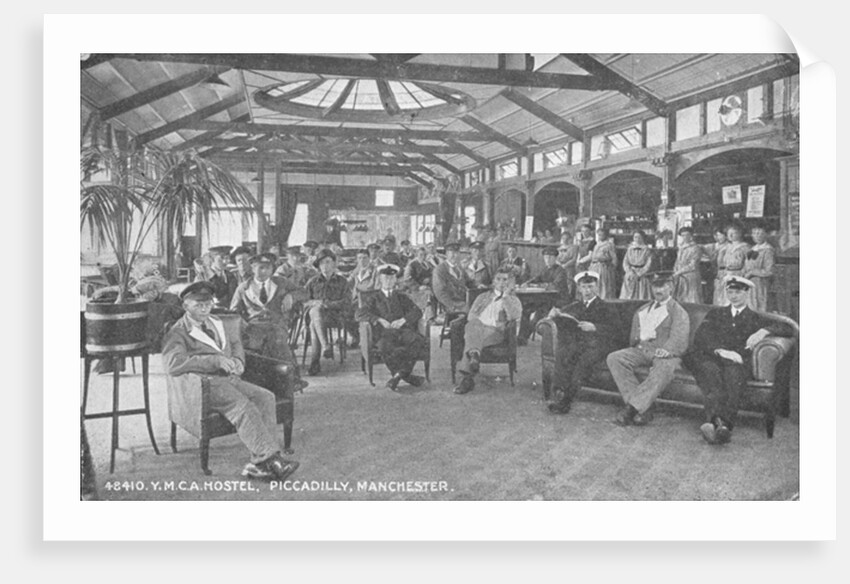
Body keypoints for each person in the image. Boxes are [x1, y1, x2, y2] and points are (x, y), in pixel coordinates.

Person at [162, 281, 300, 480]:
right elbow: (173, 364)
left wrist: (238, 360)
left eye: (208, 304)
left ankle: (260, 463)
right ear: (185, 306)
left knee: (265, 397)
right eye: (197, 305)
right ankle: (271, 460)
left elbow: (235, 343)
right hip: (206, 384)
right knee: (243, 407)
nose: (204, 309)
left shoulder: (217, 321)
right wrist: (214, 360)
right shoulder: (178, 331)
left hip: (230, 379)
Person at [682, 276, 793, 445]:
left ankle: (721, 426)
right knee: (710, 372)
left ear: (747, 293)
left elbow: (788, 327)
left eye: (738, 292)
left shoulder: (755, 318)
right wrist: (721, 351)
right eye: (730, 292)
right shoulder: (716, 313)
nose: (733, 296)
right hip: (710, 357)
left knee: (734, 376)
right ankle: (720, 425)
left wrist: (763, 331)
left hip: (735, 362)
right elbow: (701, 338)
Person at [607, 271, 690, 426]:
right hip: (642, 349)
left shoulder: (678, 311)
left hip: (665, 354)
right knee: (614, 358)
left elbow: (680, 336)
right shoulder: (643, 309)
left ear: (671, 287)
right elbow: (635, 336)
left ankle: (631, 409)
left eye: (663, 286)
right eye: (655, 286)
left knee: (665, 368)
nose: (658, 291)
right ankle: (644, 408)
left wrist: (668, 350)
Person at [229, 253, 308, 394]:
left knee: (276, 338)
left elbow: (304, 292)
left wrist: (291, 296)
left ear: (272, 269)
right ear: (252, 268)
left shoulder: (281, 282)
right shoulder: (243, 287)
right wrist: (242, 322)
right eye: (260, 268)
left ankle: (286, 380)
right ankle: (284, 379)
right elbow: (233, 311)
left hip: (277, 324)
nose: (263, 271)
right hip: (254, 327)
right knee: (260, 344)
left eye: (267, 268)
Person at [546, 271, 621, 414]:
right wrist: (553, 315)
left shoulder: (607, 307)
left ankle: (566, 401)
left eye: (591, 287)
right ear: (579, 288)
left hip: (600, 345)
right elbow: (562, 318)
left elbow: (617, 330)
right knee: (564, 354)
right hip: (580, 344)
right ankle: (557, 393)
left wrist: (596, 327)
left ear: (597, 287)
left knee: (583, 362)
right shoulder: (575, 306)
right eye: (584, 287)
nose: (587, 291)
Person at [356, 265, 429, 391]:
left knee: (418, 340)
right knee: (385, 346)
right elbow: (359, 314)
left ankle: (398, 376)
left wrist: (403, 320)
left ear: (395, 280)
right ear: (380, 280)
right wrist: (379, 319)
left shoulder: (401, 297)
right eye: (385, 278)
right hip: (384, 333)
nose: (388, 281)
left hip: (403, 331)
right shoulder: (373, 297)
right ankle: (406, 376)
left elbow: (417, 311)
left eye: (391, 278)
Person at [453, 268, 523, 395]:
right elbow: (470, 316)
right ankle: (471, 367)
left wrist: (506, 297)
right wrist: (480, 323)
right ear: (493, 282)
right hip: (477, 327)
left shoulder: (513, 300)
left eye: (505, 280)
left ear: (510, 282)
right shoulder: (482, 297)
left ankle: (470, 366)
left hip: (495, 331)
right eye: (498, 279)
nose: (501, 282)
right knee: (472, 324)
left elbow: (514, 316)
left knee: (471, 334)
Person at [303, 249, 354, 375]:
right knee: (315, 313)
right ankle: (325, 347)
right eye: (321, 263)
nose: (325, 266)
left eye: (328, 262)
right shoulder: (313, 281)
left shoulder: (342, 281)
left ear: (334, 264)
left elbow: (347, 302)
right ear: (318, 266)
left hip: (335, 316)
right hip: (316, 316)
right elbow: (303, 300)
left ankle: (315, 362)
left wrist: (326, 304)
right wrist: (315, 303)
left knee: (314, 322)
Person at [519, 246, 571, 343]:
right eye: (546, 257)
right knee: (526, 309)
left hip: (558, 300)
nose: (548, 260)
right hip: (545, 298)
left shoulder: (560, 270)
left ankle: (524, 337)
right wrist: (528, 282)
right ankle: (522, 336)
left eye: (550, 257)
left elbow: (556, 286)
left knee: (539, 313)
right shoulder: (545, 269)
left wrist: (541, 285)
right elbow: (537, 278)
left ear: (555, 259)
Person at [432, 242, 474, 314]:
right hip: (450, 306)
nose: (456, 256)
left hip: (463, 303)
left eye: (457, 253)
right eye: (453, 253)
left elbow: (469, 282)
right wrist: (453, 306)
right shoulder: (439, 270)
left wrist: (478, 285)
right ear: (446, 254)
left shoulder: (459, 268)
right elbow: (440, 293)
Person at [743, 224, 776, 312]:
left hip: (760, 283)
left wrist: (752, 273)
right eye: (754, 233)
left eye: (760, 233)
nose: (757, 236)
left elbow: (769, 271)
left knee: (759, 306)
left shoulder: (768, 250)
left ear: (765, 235)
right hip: (749, 282)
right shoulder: (753, 249)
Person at [715, 225, 750, 306]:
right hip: (726, 275)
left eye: (734, 233)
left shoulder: (745, 247)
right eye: (729, 233)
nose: (730, 236)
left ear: (740, 234)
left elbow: (748, 264)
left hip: (738, 275)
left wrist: (743, 275)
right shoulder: (727, 247)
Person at [672, 226, 703, 304]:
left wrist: (679, 272)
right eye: (683, 235)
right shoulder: (681, 247)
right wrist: (675, 270)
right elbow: (678, 261)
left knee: (691, 297)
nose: (685, 237)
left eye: (687, 235)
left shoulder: (695, 248)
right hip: (680, 276)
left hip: (690, 276)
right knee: (680, 297)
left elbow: (693, 265)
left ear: (691, 236)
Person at [619, 230, 653, 300]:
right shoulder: (630, 249)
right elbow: (625, 261)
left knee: (641, 295)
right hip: (631, 273)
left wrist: (640, 273)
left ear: (643, 238)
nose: (637, 239)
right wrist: (629, 271)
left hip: (641, 274)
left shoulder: (646, 249)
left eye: (639, 237)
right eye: (635, 237)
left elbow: (649, 263)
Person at [588, 227, 618, 299]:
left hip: (603, 267)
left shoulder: (609, 245)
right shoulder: (596, 245)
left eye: (602, 235)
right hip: (595, 267)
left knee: (603, 285)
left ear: (606, 235)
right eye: (599, 235)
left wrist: (613, 268)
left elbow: (614, 257)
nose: (600, 236)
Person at [705, 226, 730, 305]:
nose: (717, 237)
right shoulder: (714, 246)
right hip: (714, 271)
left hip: (724, 271)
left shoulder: (728, 246)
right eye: (716, 235)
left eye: (720, 235)